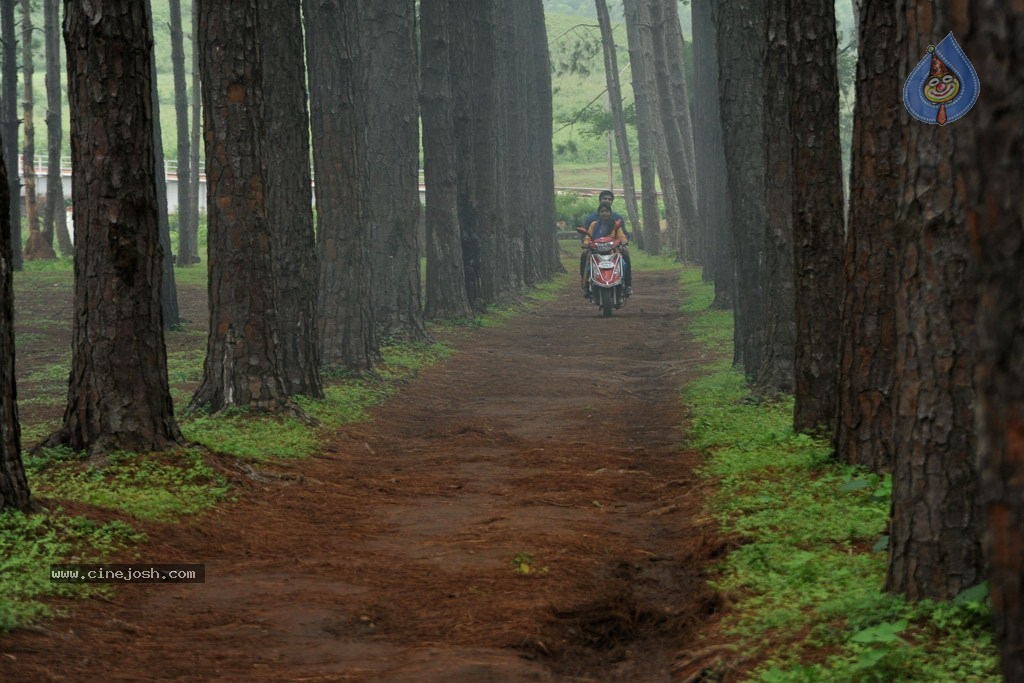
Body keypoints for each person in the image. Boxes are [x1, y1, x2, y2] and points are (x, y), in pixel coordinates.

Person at [580, 204, 632, 297]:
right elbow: (588, 236)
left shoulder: (615, 225)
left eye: (607, 211)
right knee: (584, 258)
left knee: (625, 261)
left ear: (610, 213)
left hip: (613, 252)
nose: (604, 213)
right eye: (602, 211)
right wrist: (586, 244)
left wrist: (624, 243)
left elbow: (621, 236)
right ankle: (585, 286)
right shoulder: (594, 225)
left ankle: (628, 285)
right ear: (599, 213)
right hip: (596, 252)